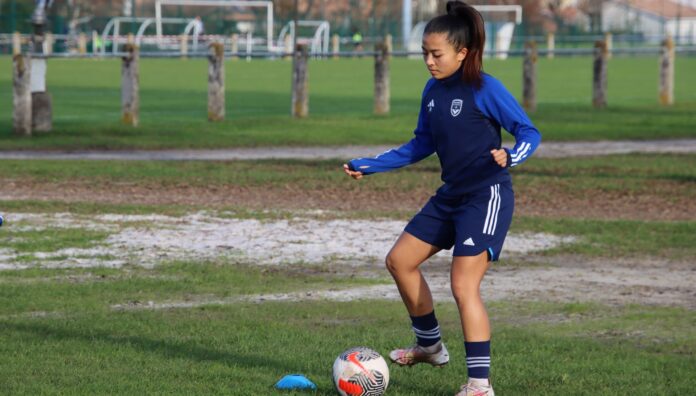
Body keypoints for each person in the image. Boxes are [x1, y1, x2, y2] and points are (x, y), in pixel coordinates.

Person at [342, 2, 541, 395]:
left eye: (437, 54)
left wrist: (511, 155)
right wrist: (371, 164)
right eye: (425, 54)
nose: (429, 62)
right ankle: (430, 345)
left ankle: (479, 385)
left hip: (486, 196)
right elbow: (422, 144)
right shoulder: (432, 91)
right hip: (450, 195)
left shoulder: (485, 88)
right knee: (399, 261)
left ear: (462, 52)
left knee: (463, 285)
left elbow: (528, 132)